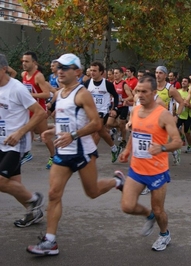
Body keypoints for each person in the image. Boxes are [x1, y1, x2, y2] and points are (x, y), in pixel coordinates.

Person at [27, 54, 125, 256]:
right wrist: (53, 130)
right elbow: (68, 121)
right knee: (54, 194)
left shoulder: (82, 94)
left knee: (92, 192)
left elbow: (96, 124)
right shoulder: (60, 93)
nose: (60, 71)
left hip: (83, 152)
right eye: (59, 67)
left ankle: (117, 181)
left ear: (78, 72)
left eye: (66, 67)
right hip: (63, 152)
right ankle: (50, 241)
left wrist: (73, 136)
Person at [118, 74, 182, 251]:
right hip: (137, 169)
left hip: (157, 171)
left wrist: (161, 148)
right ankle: (149, 215)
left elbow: (178, 142)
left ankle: (164, 234)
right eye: (138, 91)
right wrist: (127, 150)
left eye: (144, 91)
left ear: (154, 92)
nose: (140, 95)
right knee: (127, 206)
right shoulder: (135, 111)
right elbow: (135, 133)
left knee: (159, 210)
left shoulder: (163, 115)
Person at [0, 54, 47, 228]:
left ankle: (35, 199)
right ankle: (32, 212)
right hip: (1, 141)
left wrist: (20, 132)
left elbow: (40, 113)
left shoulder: (17, 88)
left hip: (16, 142)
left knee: (2, 182)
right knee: (14, 184)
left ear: (4, 69)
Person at [21, 51, 55, 169]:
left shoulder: (38, 76)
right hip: (28, 109)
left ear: (34, 62)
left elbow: (46, 94)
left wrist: (30, 95)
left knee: (44, 135)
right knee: (27, 130)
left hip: (39, 110)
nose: (24, 63)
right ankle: (27, 153)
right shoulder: (23, 74)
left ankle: (53, 155)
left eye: (27, 61)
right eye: (23, 61)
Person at [84, 61, 121, 162]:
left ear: (101, 72)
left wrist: (115, 108)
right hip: (91, 111)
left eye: (95, 71)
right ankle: (114, 148)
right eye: (91, 70)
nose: (92, 72)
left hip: (103, 111)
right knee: (102, 132)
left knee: (95, 130)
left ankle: (90, 156)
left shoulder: (107, 84)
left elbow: (116, 96)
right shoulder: (87, 83)